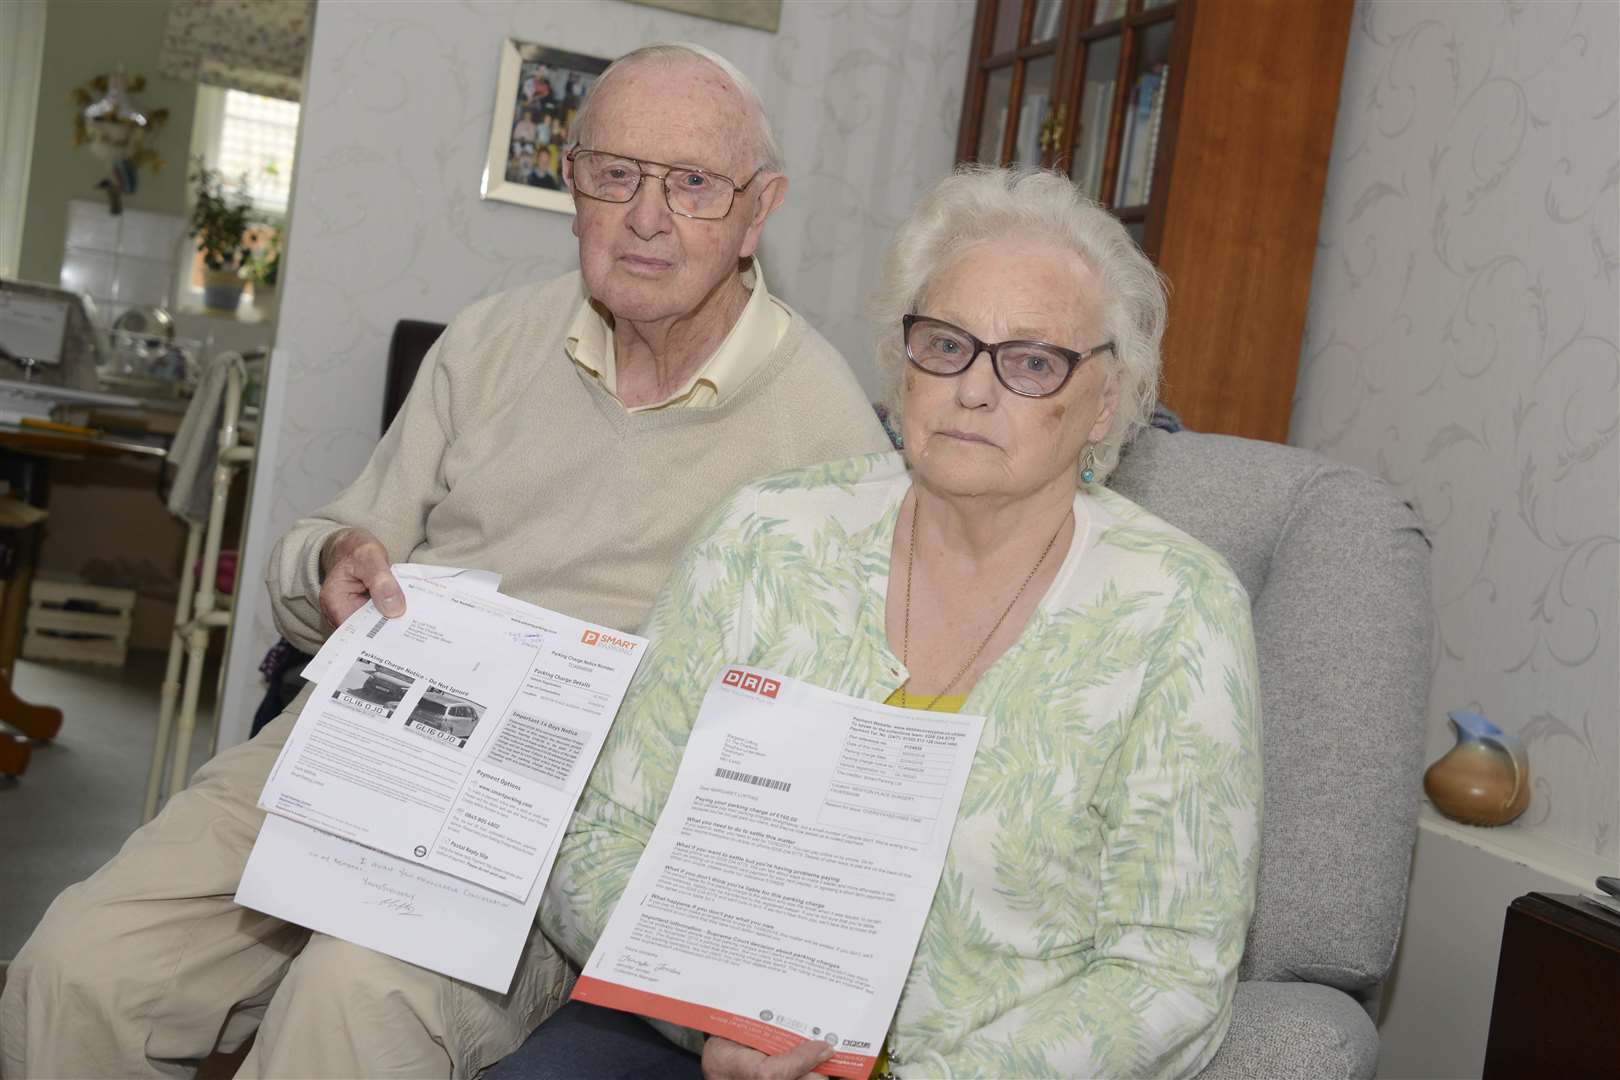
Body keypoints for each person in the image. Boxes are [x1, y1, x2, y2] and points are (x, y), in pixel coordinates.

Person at [0, 42, 890, 1080]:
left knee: (353, 998)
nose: (648, 218)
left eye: (693, 183)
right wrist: (332, 561)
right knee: (77, 965)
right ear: (574, 190)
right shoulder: (489, 344)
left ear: (758, 209)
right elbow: (312, 564)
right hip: (364, 750)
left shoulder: (827, 434)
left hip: (559, 830)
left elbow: (836, 731)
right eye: (616, 175)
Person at [498, 166, 1263, 1079]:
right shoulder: (765, 535)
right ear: (903, 361)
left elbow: (1168, 973)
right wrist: (720, 1020)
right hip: (709, 1042)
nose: (973, 391)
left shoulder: (1178, 611)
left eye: (1030, 362)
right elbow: (600, 835)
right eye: (945, 345)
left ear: (1105, 399)